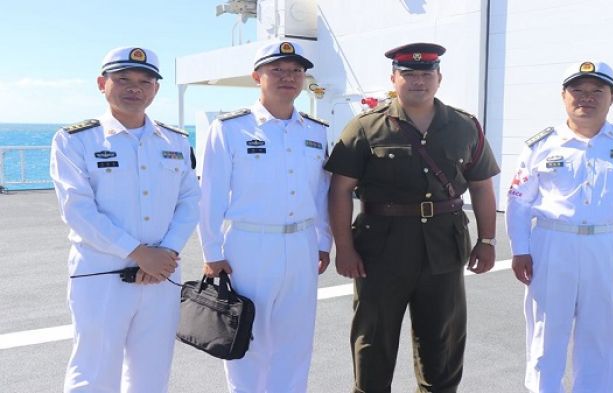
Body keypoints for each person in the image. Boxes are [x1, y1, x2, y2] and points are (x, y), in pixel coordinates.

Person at [325, 42, 500, 393]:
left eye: (426, 74)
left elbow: (481, 186)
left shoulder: (465, 127)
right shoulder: (364, 128)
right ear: (394, 78)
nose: (418, 81)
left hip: (444, 249)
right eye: (409, 74)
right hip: (380, 250)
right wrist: (344, 248)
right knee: (373, 340)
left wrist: (487, 240)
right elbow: (340, 190)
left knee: (443, 342)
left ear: (439, 78)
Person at [506, 61, 613, 393]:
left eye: (597, 91)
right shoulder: (541, 145)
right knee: (547, 330)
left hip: (609, 245)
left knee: (600, 331)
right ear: (563, 96)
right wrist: (520, 249)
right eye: (577, 90)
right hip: (552, 242)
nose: (586, 98)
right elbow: (519, 201)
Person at [49, 47, 200, 392]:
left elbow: (190, 200)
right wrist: (138, 251)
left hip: (163, 274)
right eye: (123, 79)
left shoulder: (175, 140)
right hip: (102, 274)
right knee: (95, 370)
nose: (135, 87)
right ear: (102, 84)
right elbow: (77, 210)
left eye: (145, 81)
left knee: (152, 372)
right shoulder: (76, 140)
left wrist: (167, 252)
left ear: (155, 89)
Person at [197, 40, 332, 392]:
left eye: (296, 71)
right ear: (257, 76)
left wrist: (323, 239)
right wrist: (212, 252)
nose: (288, 77)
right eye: (277, 70)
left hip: (302, 245)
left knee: (296, 340)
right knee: (247, 338)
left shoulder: (317, 132)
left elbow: (321, 192)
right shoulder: (229, 129)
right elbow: (209, 195)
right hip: (248, 245)